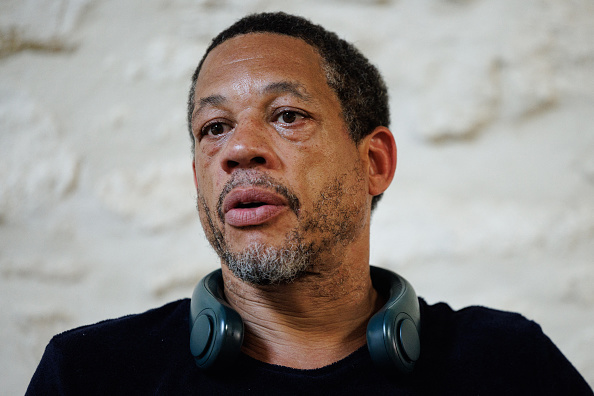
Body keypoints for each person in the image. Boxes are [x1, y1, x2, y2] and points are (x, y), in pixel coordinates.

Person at [27, 12, 592, 395]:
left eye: (287, 116)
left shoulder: (509, 366)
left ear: (374, 163)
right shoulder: (87, 374)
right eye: (215, 127)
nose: (239, 149)